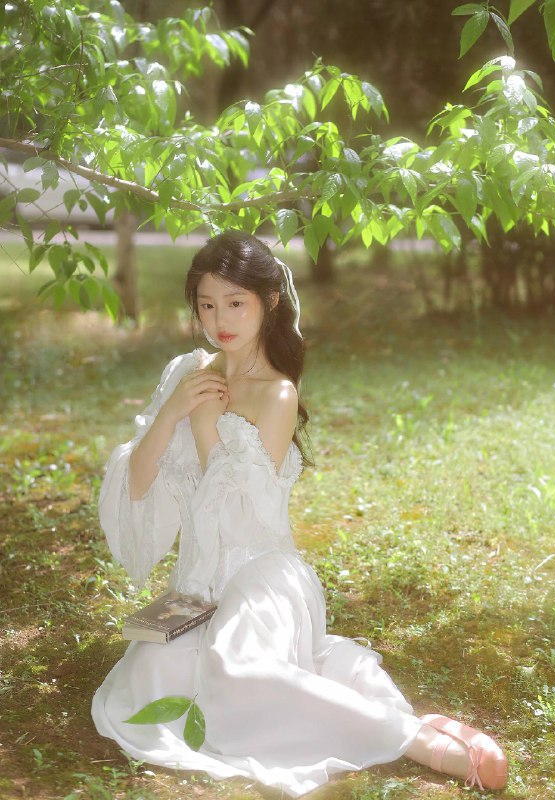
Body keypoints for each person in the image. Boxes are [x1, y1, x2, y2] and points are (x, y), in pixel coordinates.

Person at [91, 231, 508, 796]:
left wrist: (204, 423)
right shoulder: (187, 373)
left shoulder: (277, 395)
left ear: (270, 301)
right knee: (149, 678)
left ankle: (411, 737)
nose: (220, 320)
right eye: (207, 306)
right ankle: (345, 697)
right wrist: (172, 412)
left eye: (235, 303)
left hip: (261, 574)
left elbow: (236, 509)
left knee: (236, 669)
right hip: (196, 585)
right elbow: (138, 484)